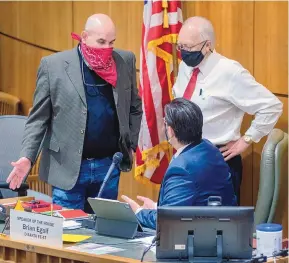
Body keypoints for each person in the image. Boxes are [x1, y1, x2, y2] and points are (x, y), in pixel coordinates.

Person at [6, 14, 142, 212]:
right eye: (101, 42)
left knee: (102, 234)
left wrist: (130, 143)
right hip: (67, 167)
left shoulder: (124, 61)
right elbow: (38, 119)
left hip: (108, 165)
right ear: (84, 37)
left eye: (111, 42)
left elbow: (135, 107)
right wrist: (28, 157)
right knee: (69, 234)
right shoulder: (53, 66)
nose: (106, 49)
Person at [173, 16, 283, 204]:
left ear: (207, 46)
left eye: (188, 47)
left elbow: (271, 105)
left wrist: (247, 139)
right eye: (180, 46)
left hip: (217, 160)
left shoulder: (229, 71)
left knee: (217, 227)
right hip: (185, 156)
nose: (183, 52)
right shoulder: (185, 67)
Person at [122, 98, 237, 230]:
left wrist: (138, 212)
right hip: (223, 229)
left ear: (170, 130)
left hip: (200, 238)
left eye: (165, 123)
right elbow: (195, 201)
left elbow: (167, 220)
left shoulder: (182, 169)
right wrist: (156, 207)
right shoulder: (210, 148)